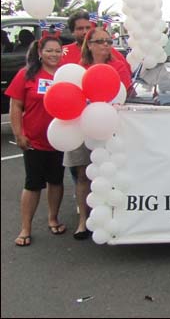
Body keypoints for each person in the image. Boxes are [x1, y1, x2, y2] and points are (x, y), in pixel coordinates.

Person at [64, 27, 132, 240]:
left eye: (109, 41)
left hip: (112, 129)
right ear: (89, 44)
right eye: (100, 41)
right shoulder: (79, 69)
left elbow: (125, 95)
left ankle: (114, 217)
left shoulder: (119, 66)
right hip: (84, 128)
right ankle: (84, 220)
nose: (106, 45)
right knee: (83, 174)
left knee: (112, 175)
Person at [5, 36, 66, 246]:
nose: (54, 55)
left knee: (56, 181)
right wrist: (18, 133)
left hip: (59, 141)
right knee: (32, 184)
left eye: (58, 51)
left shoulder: (65, 75)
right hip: (33, 141)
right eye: (49, 51)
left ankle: (53, 219)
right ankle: (25, 228)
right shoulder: (26, 74)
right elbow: (16, 106)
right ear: (40, 52)